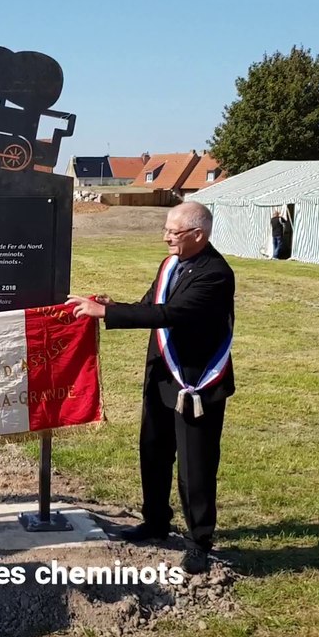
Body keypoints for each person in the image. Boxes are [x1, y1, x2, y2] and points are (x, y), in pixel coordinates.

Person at [67, 201, 235, 574]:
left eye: (173, 233)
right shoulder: (170, 263)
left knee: (195, 467)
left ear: (198, 235)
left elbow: (171, 314)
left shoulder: (216, 274)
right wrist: (115, 304)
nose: (165, 237)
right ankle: (156, 521)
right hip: (161, 376)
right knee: (153, 452)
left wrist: (107, 315)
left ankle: (199, 541)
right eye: (166, 229)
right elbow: (152, 304)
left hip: (197, 383)